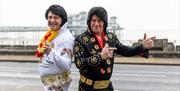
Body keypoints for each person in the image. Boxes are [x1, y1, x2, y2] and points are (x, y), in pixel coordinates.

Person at [73, 6, 155, 91]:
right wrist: (100, 57)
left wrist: (142, 46)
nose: (96, 24)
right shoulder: (80, 39)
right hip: (87, 87)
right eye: (93, 20)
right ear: (89, 22)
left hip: (107, 87)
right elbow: (79, 62)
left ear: (104, 23)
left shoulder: (111, 37)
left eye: (100, 21)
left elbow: (125, 51)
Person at [36, 4, 74, 91]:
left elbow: (66, 65)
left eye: (55, 17)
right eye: (49, 17)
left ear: (62, 20)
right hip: (50, 85)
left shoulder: (66, 38)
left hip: (58, 86)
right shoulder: (53, 34)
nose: (52, 20)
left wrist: (50, 52)